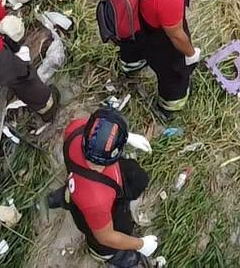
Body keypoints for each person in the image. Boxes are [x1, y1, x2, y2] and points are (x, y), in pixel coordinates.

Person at [96, 0, 209, 118]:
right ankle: (170, 105)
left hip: (128, 20)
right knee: (174, 70)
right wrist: (190, 54)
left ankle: (130, 65)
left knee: (130, 48)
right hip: (154, 34)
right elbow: (176, 35)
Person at [48, 108, 158, 266]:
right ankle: (104, 255)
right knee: (109, 236)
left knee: (135, 176)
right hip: (93, 206)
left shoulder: (76, 130)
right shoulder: (97, 200)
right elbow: (106, 236)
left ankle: (67, 196)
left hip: (78, 181)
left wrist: (125, 137)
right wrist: (141, 245)